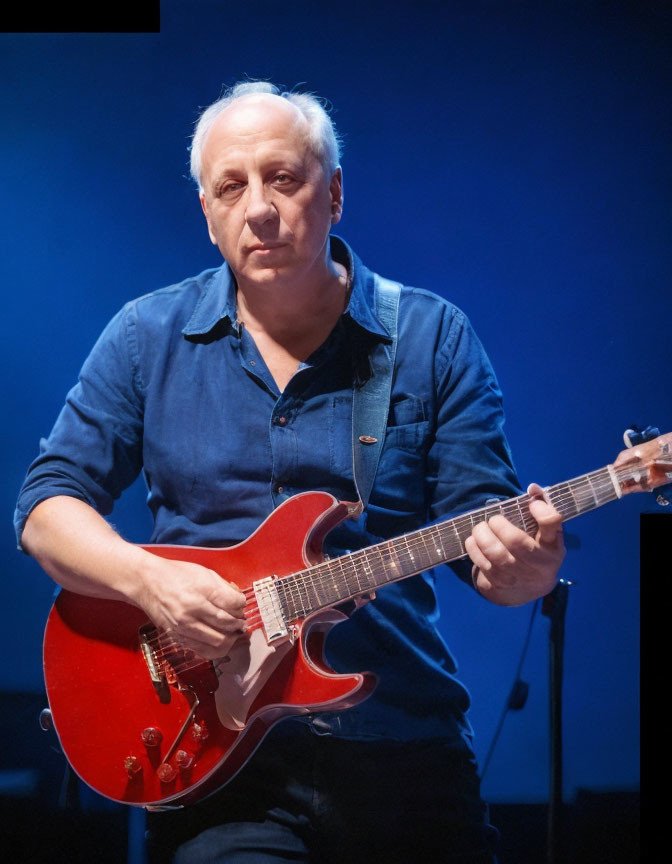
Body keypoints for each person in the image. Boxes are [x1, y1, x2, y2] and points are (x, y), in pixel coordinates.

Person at [15, 81, 565, 863]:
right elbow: (45, 508)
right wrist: (148, 583)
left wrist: (527, 569)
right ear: (207, 214)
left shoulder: (431, 336)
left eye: (284, 177)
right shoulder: (146, 336)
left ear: (334, 193)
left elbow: (491, 547)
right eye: (231, 187)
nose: (260, 208)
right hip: (211, 758)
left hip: (400, 745)